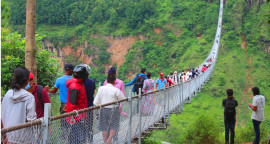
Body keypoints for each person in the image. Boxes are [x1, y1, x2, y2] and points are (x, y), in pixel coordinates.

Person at [1, 67, 36, 143]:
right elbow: (32, 121)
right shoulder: (29, 97)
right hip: (22, 140)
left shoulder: (7, 94)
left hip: (6, 138)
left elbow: (1, 118)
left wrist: (4, 138)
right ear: (27, 81)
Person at [44, 63, 74, 140]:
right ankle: (72, 139)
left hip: (64, 105)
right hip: (73, 104)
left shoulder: (59, 80)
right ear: (71, 70)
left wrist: (47, 89)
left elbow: (53, 91)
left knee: (64, 124)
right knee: (73, 122)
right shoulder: (74, 80)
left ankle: (66, 139)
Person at [94, 75, 126, 144]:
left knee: (104, 126)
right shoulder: (116, 90)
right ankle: (109, 139)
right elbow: (123, 100)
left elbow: (96, 102)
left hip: (103, 110)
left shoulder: (100, 89)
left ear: (106, 80)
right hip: (114, 110)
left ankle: (105, 142)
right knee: (114, 125)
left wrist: (96, 113)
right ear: (114, 81)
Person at [66, 64, 88, 144]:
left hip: (80, 116)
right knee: (77, 139)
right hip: (76, 118)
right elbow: (72, 104)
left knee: (79, 138)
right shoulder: (75, 86)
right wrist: (79, 117)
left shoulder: (79, 84)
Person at [103, 67, 125, 143]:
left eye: (111, 73)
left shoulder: (120, 83)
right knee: (107, 124)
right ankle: (109, 139)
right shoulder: (105, 82)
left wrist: (120, 106)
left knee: (115, 124)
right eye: (109, 74)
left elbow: (122, 95)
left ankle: (115, 137)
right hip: (106, 107)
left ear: (115, 74)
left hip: (116, 107)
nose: (110, 75)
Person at [82, 64, 96, 143]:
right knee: (90, 124)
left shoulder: (80, 82)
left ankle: (83, 140)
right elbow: (93, 92)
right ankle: (90, 140)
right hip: (90, 106)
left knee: (82, 125)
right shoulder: (92, 81)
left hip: (81, 108)